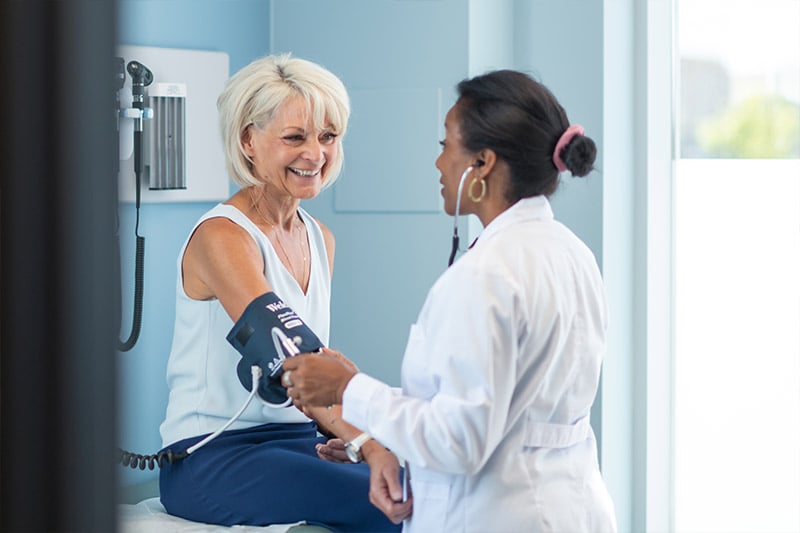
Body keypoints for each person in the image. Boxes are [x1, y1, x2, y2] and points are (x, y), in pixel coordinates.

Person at [281, 69, 618, 532]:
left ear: (482, 163)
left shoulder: (487, 274)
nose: (439, 164)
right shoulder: (571, 252)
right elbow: (499, 409)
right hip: (572, 508)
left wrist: (348, 389)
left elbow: (459, 439)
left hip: (498, 516)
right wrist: (377, 431)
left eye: (445, 145)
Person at [156, 54, 400, 532]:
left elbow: (320, 374)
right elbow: (294, 364)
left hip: (299, 441)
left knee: (428, 480)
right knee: (395, 498)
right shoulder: (223, 238)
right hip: (213, 457)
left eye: (327, 137)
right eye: (295, 137)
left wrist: (345, 436)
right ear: (248, 141)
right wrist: (368, 443)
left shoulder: (320, 237)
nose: (316, 154)